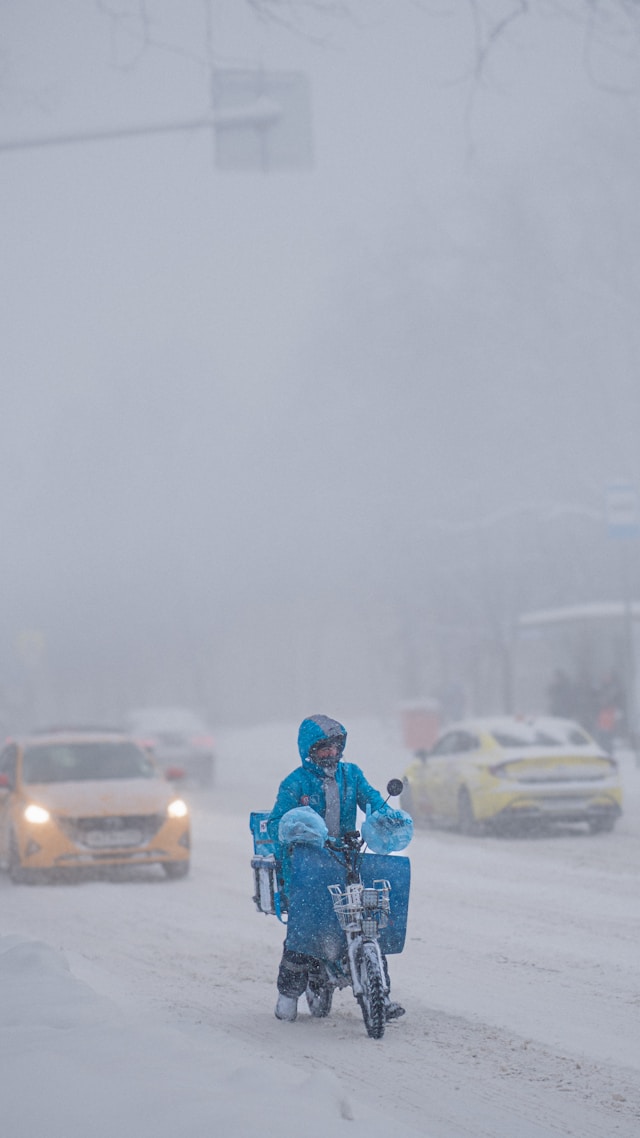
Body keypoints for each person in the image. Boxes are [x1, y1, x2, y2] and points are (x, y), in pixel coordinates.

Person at [267, 714, 410, 1023]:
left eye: (335, 747)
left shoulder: (351, 775)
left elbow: (373, 801)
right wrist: (301, 831)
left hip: (346, 858)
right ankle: (288, 996)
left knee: (369, 919)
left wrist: (388, 817)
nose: (331, 754)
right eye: (323, 749)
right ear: (309, 751)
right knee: (303, 932)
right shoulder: (295, 783)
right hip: (308, 866)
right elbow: (280, 822)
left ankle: (380, 995)